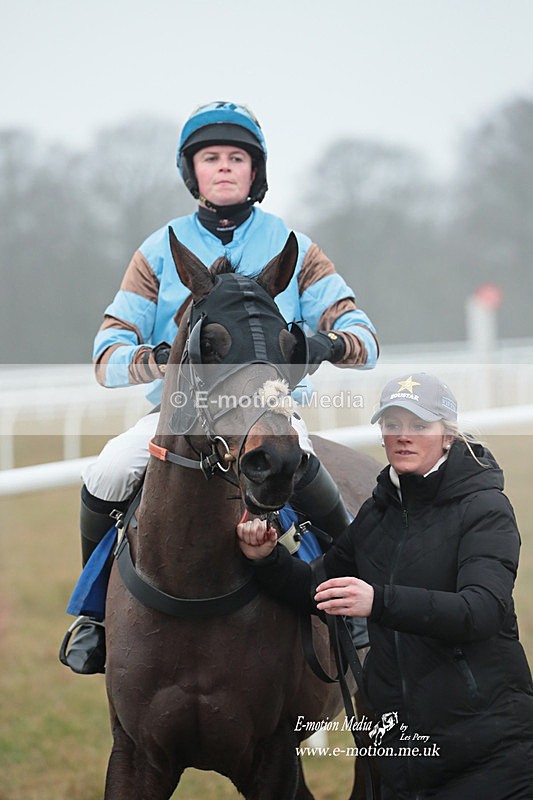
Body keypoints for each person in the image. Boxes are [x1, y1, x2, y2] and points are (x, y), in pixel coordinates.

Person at [61, 100, 379, 674]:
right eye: (211, 157)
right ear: (193, 172)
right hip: (179, 419)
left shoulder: (296, 248)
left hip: (270, 415)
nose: (225, 167)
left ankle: (351, 608)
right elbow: (106, 353)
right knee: (107, 469)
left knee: (306, 468)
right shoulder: (158, 252)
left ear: (256, 171)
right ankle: (96, 617)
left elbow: (365, 337)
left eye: (238, 157)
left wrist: (323, 344)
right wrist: (162, 359)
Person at [237, 372, 533, 799]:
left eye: (418, 425)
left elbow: (480, 611)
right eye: (392, 425)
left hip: (489, 751)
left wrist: (379, 601)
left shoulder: (486, 508)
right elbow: (319, 586)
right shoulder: (377, 514)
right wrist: (268, 559)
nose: (403, 437)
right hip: (399, 756)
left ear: (447, 436)